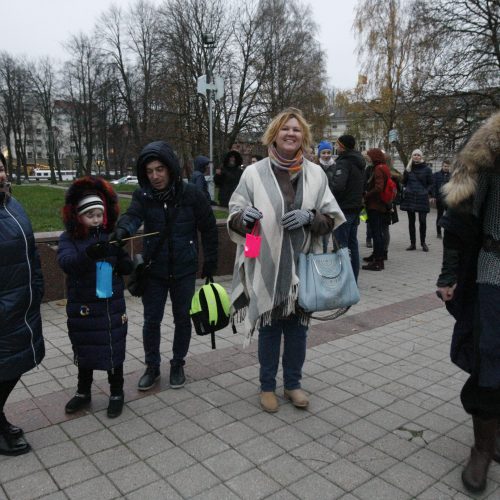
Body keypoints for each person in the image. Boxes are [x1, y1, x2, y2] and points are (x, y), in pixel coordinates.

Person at [227, 108, 345, 413]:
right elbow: (235, 211)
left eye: (296, 129)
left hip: (303, 263)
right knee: (268, 326)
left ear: (303, 136)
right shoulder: (253, 173)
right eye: (285, 129)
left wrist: (310, 216)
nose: (291, 134)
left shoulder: (316, 173)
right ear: (274, 134)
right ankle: (267, 386)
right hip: (264, 259)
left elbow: (332, 217)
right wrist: (243, 217)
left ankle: (293, 384)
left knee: (298, 330)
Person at [110, 141, 218, 391]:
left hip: (184, 268)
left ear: (170, 168)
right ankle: (152, 367)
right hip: (154, 269)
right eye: (149, 171)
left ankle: (178, 363)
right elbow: (133, 216)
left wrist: (210, 261)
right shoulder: (143, 195)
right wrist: (122, 230)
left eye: (160, 169)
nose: (155, 176)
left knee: (182, 319)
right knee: (151, 321)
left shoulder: (192, 194)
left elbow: (209, 228)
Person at [436, 110, 500, 493]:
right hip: (493, 271)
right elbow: (457, 226)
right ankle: (482, 447)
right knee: (489, 355)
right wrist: (448, 276)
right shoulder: (488, 157)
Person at [57, 177, 133, 418]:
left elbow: (124, 265)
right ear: (78, 216)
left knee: (113, 348)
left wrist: (135, 265)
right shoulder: (69, 239)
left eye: (99, 214)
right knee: (86, 349)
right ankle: (83, 392)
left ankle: (117, 392)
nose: (96, 219)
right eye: (90, 215)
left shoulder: (109, 236)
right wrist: (89, 254)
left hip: (110, 306)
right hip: (84, 307)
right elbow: (66, 263)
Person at [0, 153, 45, 455]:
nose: (0, 175)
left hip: (22, 307)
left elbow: (29, 252)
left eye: (0, 168)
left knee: (13, 368)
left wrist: (37, 287)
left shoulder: (11, 204)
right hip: (5, 311)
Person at [325, 135, 365, 280]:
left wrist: (328, 189)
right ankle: (353, 278)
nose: (336, 146)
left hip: (343, 208)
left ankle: (344, 280)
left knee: (341, 246)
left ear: (343, 146)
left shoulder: (344, 162)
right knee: (352, 245)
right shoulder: (359, 161)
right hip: (355, 207)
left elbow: (339, 186)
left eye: (338, 144)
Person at [361, 148, 391, 271]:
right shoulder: (384, 167)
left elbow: (379, 187)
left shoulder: (378, 169)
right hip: (381, 204)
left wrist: (366, 195)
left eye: (369, 157)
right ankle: (377, 255)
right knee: (377, 232)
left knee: (377, 233)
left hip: (375, 205)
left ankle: (378, 262)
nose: (367, 159)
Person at [400, 149, 433, 251]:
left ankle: (423, 243)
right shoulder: (408, 169)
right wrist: (406, 189)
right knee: (411, 222)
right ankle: (412, 243)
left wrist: (426, 192)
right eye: (414, 155)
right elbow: (404, 182)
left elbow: (431, 183)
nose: (416, 156)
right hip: (410, 197)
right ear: (412, 156)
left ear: (421, 157)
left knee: (422, 221)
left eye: (418, 155)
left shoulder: (427, 169)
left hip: (422, 198)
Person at [431, 159, 451, 239]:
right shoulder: (436, 175)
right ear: (442, 166)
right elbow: (433, 186)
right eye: (445, 166)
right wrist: (433, 196)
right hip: (440, 198)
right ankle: (438, 233)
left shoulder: (452, 175)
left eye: (448, 166)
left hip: (449, 199)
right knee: (440, 215)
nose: (446, 168)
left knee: (449, 216)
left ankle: (448, 232)